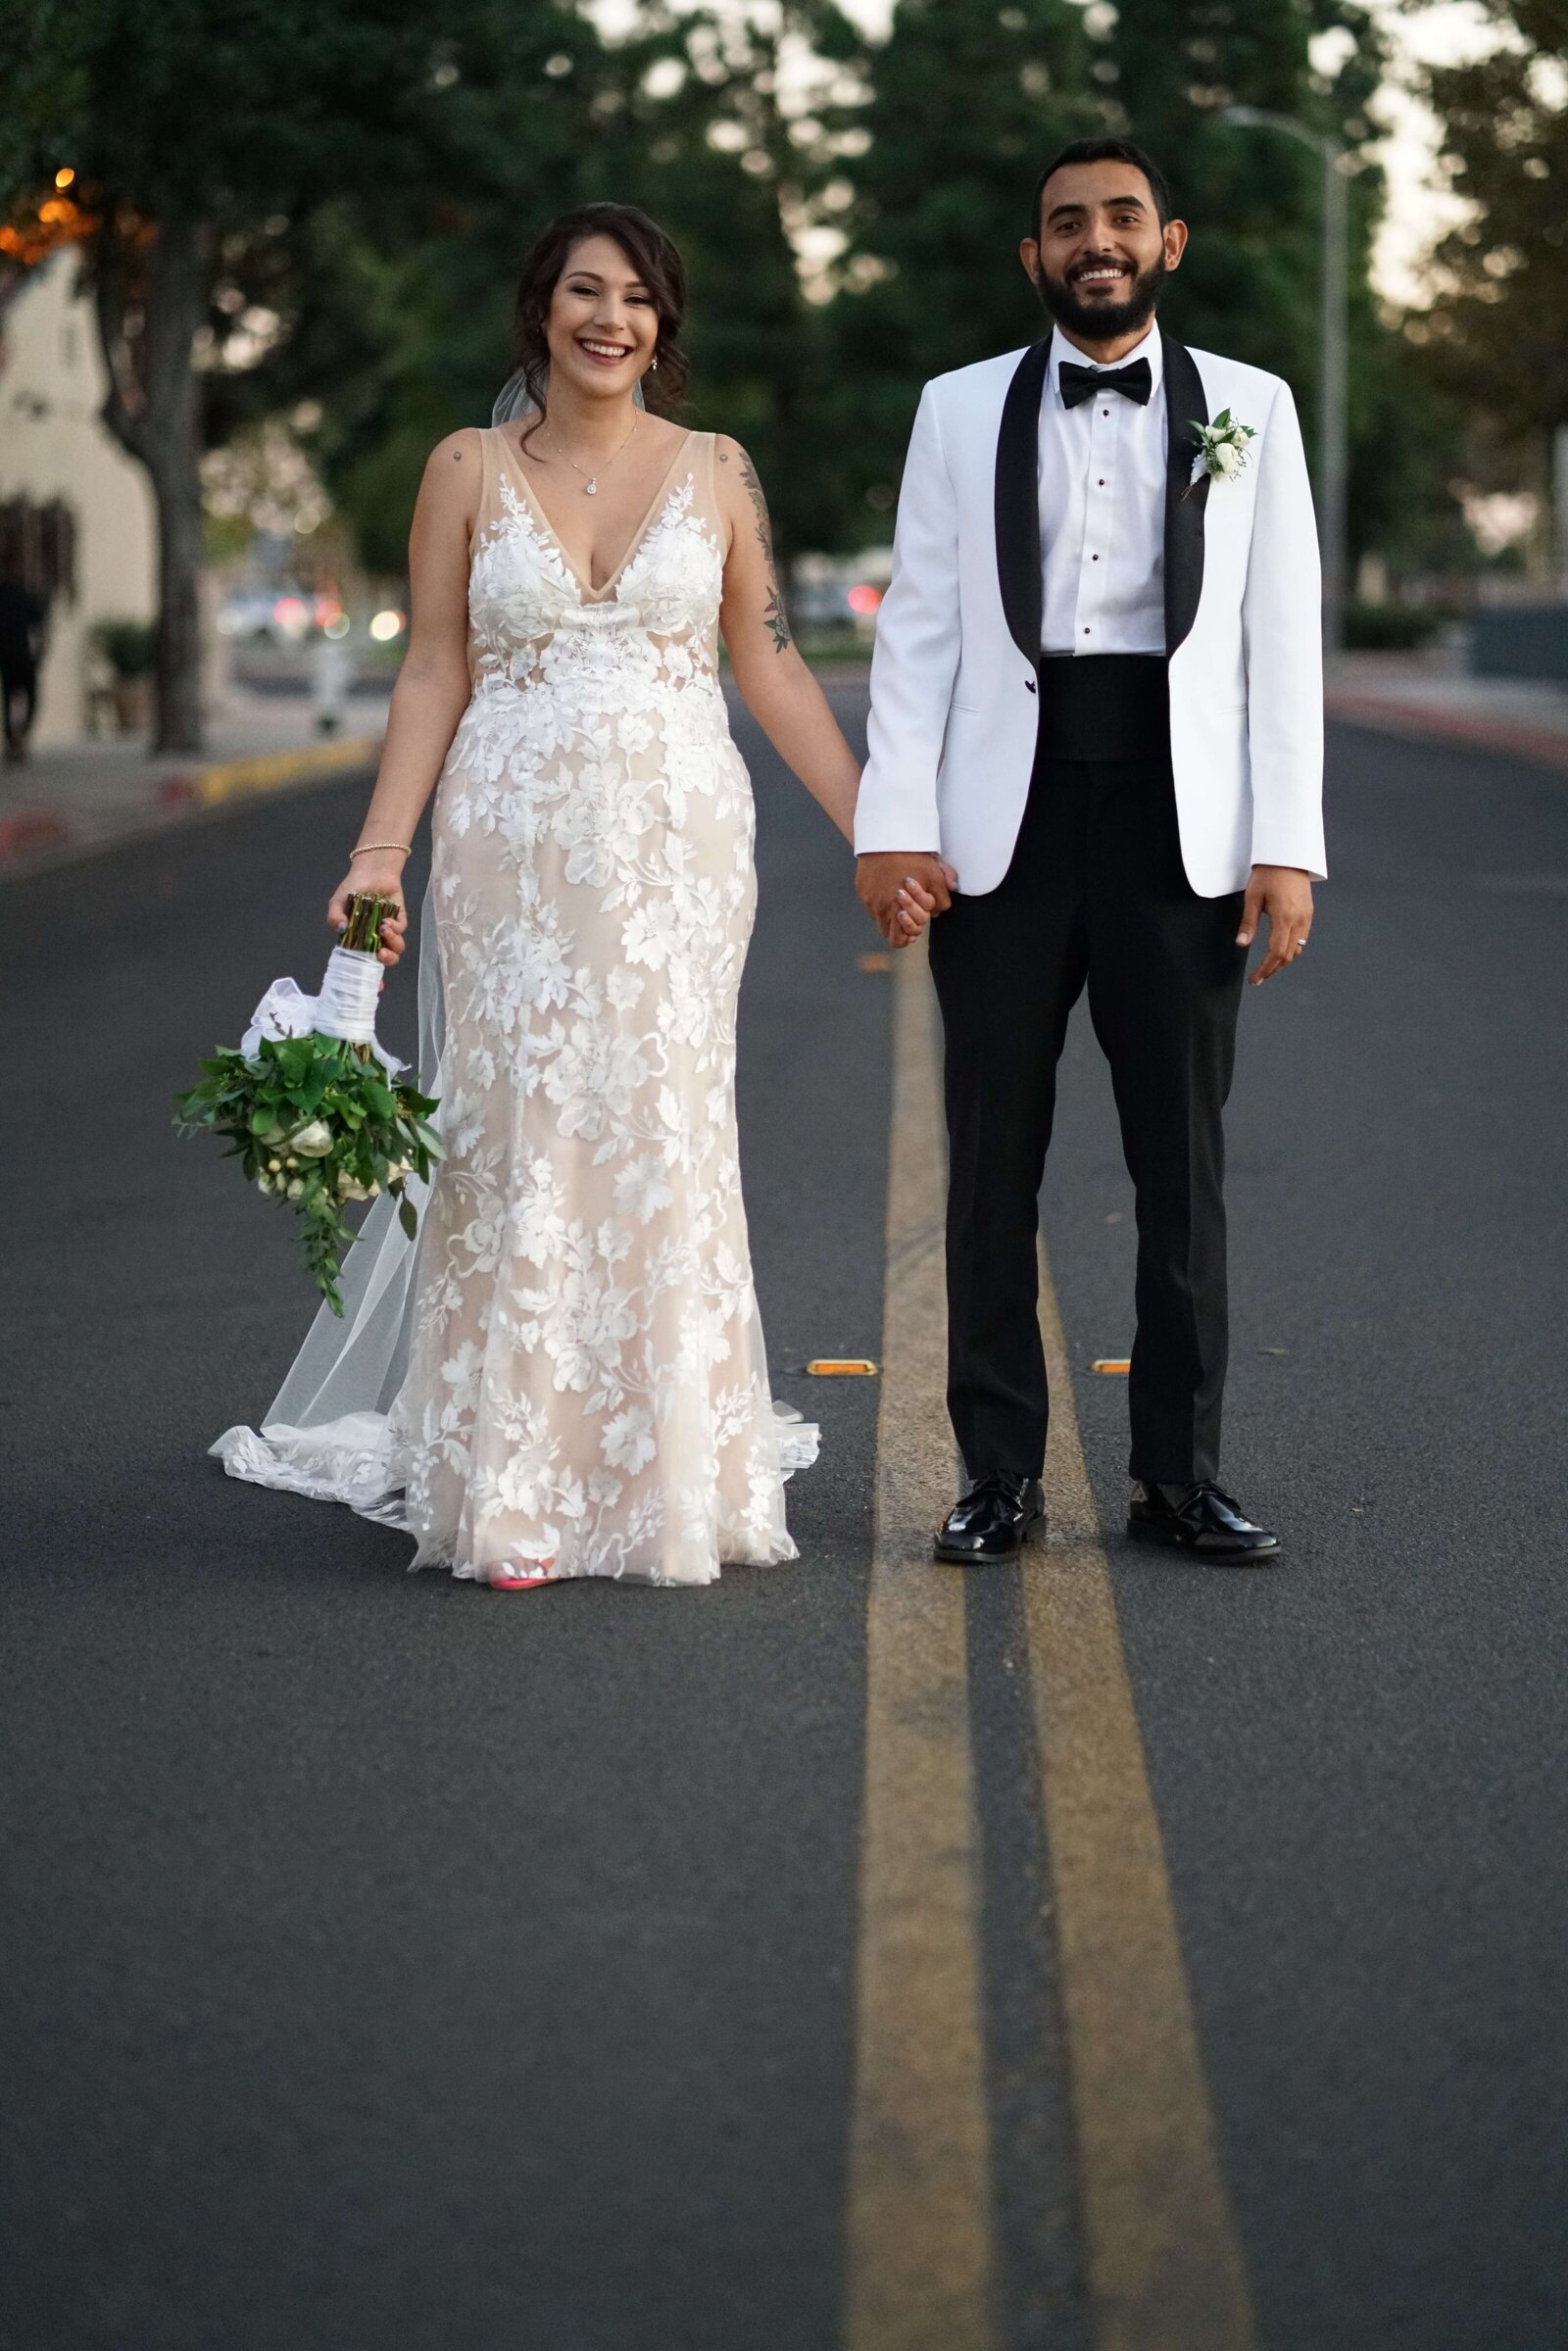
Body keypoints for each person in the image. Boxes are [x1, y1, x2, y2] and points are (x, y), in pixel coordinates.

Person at [215, 201, 940, 1589]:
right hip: (511, 848)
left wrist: (877, 832)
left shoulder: (717, 468)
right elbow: (434, 665)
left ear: (662, 329)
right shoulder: (466, 467)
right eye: (586, 293)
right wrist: (379, 853)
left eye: (640, 301)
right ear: (541, 310)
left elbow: (772, 663)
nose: (614, 319)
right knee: (519, 1121)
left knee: (663, 1117)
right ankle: (517, 1477)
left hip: (679, 851)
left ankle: (662, 1460)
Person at [855, 137, 1325, 1567]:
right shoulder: (956, 408)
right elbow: (920, 628)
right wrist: (896, 825)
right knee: (990, 1160)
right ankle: (997, 1472)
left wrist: (1286, 843)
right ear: (1035, 257)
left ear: (1168, 241)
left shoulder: (1252, 405)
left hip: (1181, 830)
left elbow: (1279, 641)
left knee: (1179, 1165)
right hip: (1006, 815)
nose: (1096, 240)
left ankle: (1177, 1474)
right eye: (1068, 224)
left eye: (1122, 217)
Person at [0, 569, 47, 763]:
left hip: (12, 654)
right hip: (19, 653)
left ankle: (15, 738)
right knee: (26, 696)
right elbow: (39, 625)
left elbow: (38, 624)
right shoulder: (22, 595)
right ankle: (17, 738)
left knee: (12, 697)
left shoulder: (20, 595)